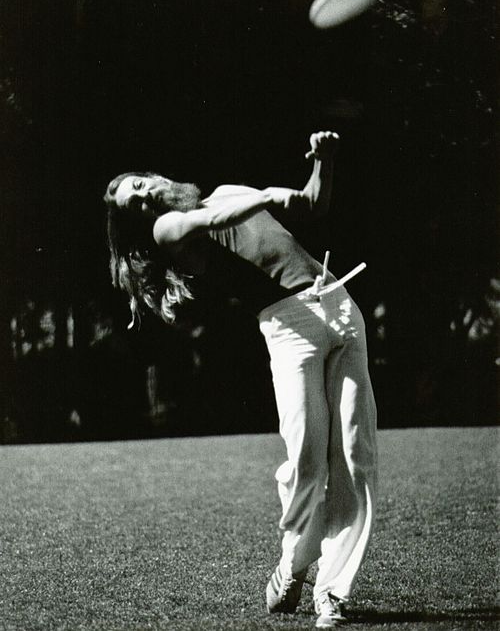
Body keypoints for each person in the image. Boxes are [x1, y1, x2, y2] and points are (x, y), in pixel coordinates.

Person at [104, 131, 377, 628]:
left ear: (153, 175)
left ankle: (331, 593)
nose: (144, 195)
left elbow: (312, 205)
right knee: (307, 460)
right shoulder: (169, 227)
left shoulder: (230, 189)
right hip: (288, 327)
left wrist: (325, 162)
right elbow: (214, 219)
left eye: (140, 184)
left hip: (340, 305)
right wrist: (269, 195)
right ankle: (293, 562)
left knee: (356, 458)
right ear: (140, 221)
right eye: (134, 203)